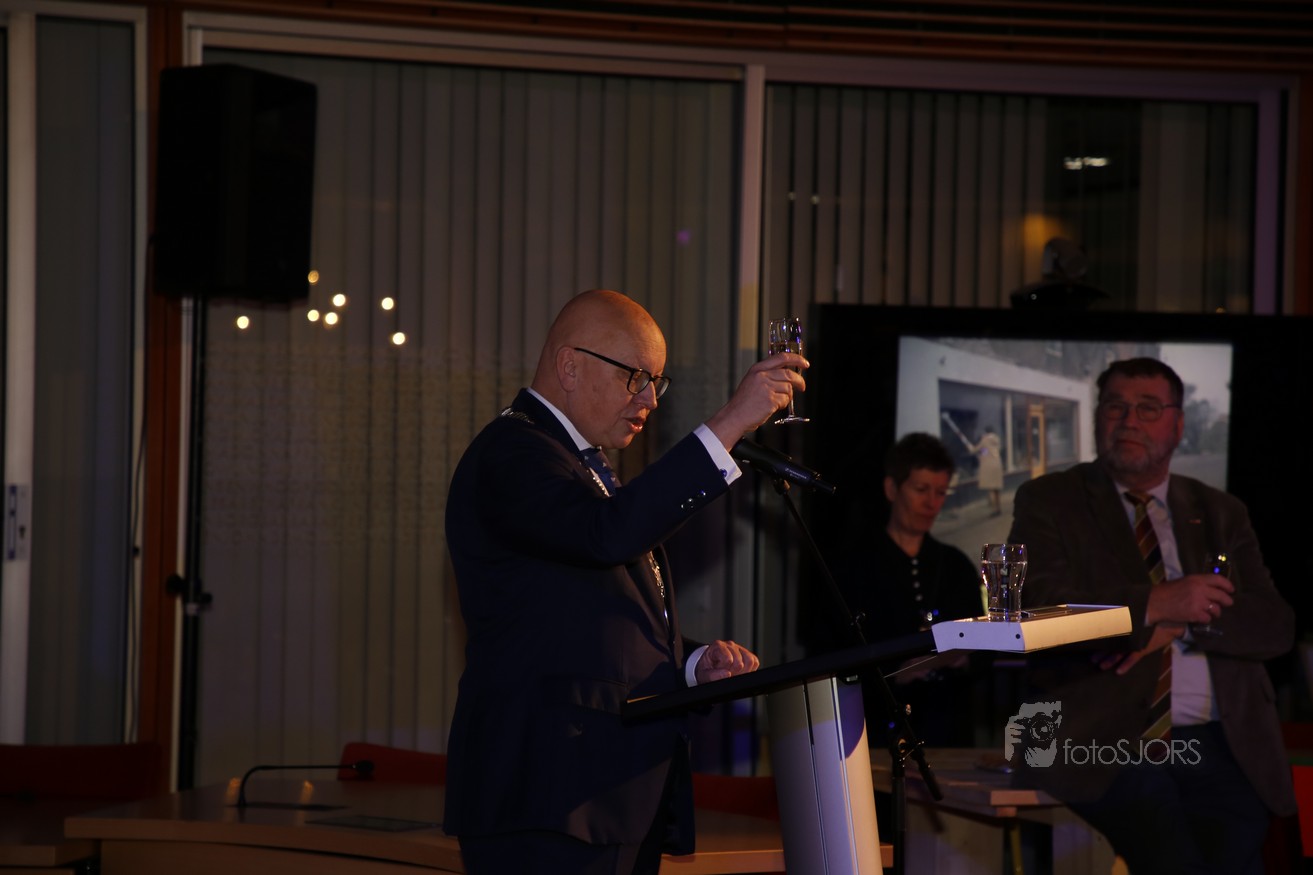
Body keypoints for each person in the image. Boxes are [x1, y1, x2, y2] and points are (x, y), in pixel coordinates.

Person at [443, 289, 806, 874]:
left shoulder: (578, 461)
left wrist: (691, 665)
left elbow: (587, 620)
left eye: (657, 383)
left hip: (600, 795)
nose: (649, 400)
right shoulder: (513, 452)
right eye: (635, 377)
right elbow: (605, 536)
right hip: (548, 795)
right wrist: (730, 423)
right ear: (569, 366)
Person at [1006, 357, 1296, 874]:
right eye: (1115, 406)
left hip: (1220, 742)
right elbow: (1037, 610)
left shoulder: (1220, 511)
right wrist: (1155, 604)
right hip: (1099, 743)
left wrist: (1185, 618)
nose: (1129, 421)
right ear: (1098, 417)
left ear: (1178, 425)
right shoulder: (1050, 500)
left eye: (1148, 408)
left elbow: (1275, 626)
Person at [836, 433, 985, 748]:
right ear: (892, 489)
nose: (932, 503)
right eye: (921, 490)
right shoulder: (854, 567)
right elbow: (835, 655)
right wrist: (895, 674)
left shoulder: (956, 566)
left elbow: (983, 653)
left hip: (948, 733)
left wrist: (962, 659)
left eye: (940, 492)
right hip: (874, 736)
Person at [972, 425, 1004, 516]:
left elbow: (976, 449)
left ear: (986, 432)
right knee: (996, 488)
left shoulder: (985, 439)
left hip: (989, 466)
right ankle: (998, 507)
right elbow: (986, 451)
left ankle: (994, 510)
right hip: (997, 464)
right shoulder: (997, 439)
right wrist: (983, 454)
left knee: (991, 488)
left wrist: (971, 448)